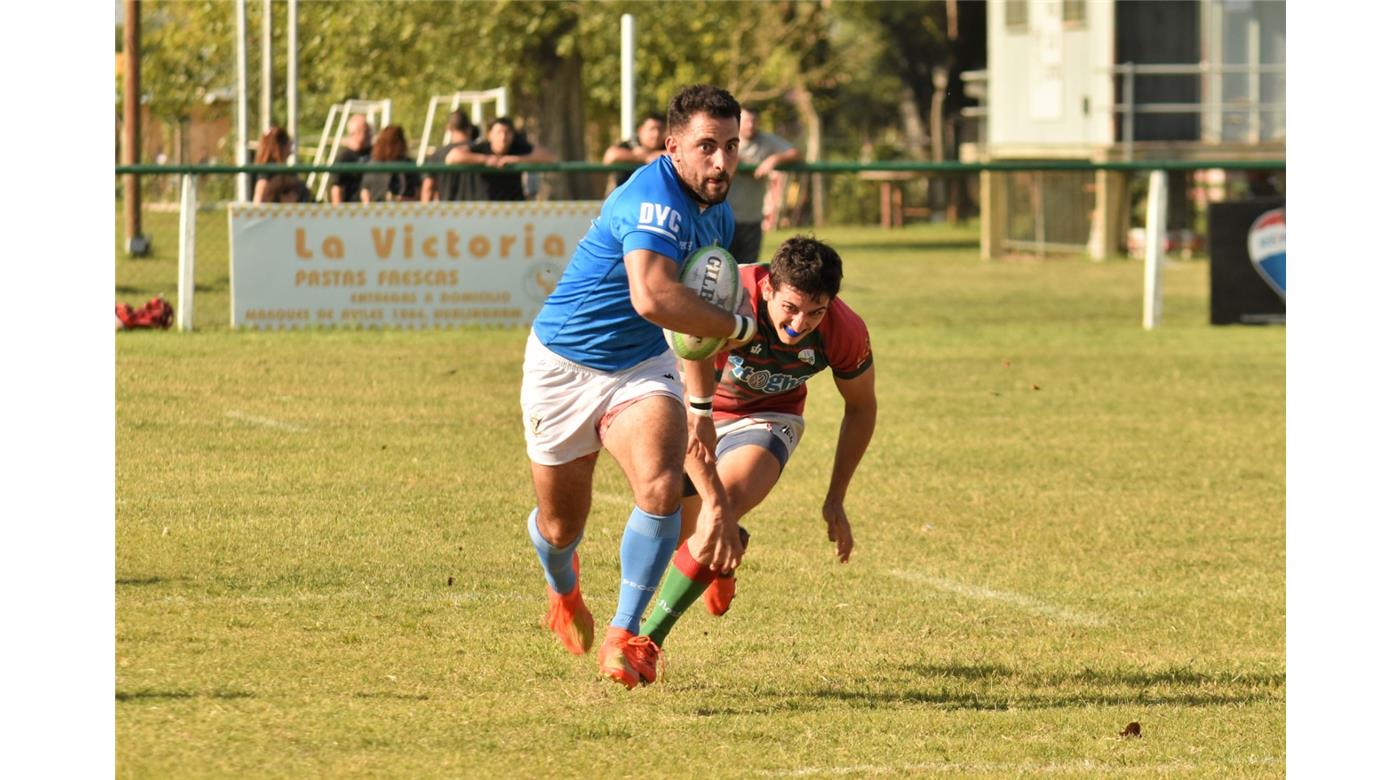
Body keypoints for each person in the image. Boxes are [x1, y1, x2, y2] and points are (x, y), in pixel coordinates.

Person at [521, 84, 757, 690]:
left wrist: (701, 407)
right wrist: (738, 325)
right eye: (707, 146)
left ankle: (626, 637)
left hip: (640, 367)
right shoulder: (652, 201)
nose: (722, 161)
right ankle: (563, 585)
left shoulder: (719, 210)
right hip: (564, 367)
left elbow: (690, 323)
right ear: (672, 145)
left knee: (658, 487)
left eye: (732, 146)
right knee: (560, 526)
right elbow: (653, 297)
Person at [640, 235, 877, 652]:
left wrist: (836, 498)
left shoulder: (845, 331)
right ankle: (726, 555)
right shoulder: (730, 298)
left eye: (814, 313)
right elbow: (689, 351)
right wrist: (701, 413)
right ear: (768, 287)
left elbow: (860, 408)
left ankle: (646, 643)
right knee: (674, 518)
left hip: (770, 417)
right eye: (790, 308)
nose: (799, 324)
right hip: (698, 404)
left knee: (722, 506)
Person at [729, 107, 803, 264]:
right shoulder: (727, 139)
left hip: (753, 219)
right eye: (747, 121)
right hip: (725, 219)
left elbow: (796, 153)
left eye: (754, 121)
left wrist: (774, 159)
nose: (750, 125)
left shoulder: (766, 140)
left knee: (748, 271)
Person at [469, 117, 557, 201]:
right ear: (490, 135)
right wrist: (485, 160)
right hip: (486, 207)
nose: (503, 137)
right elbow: (456, 155)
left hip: (514, 206)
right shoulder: (482, 148)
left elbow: (549, 156)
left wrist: (517, 159)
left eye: (507, 132)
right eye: (499, 132)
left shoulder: (517, 147)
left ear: (513, 135)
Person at [420, 109, 485, 202]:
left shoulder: (437, 155)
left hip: (448, 211)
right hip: (477, 211)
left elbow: (428, 188)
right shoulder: (482, 150)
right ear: (469, 127)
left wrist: (425, 213)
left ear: (448, 128)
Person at [602, 113, 667, 189]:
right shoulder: (629, 145)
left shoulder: (666, 145)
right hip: (624, 196)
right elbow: (610, 156)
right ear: (641, 130)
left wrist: (651, 155)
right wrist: (643, 157)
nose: (656, 134)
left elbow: (676, 154)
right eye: (652, 129)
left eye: (660, 129)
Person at [358, 125, 420, 203]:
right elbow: (417, 192)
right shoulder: (408, 165)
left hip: (376, 210)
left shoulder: (371, 165)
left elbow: (365, 192)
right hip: (402, 209)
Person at [251, 126, 309, 204]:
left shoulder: (282, 171)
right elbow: (259, 199)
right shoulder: (267, 171)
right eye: (288, 142)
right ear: (281, 146)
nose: (290, 147)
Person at [329, 114, 373, 204]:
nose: (369, 135)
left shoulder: (374, 153)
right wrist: (339, 214)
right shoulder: (343, 158)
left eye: (369, 131)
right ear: (353, 133)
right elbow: (336, 188)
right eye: (365, 131)